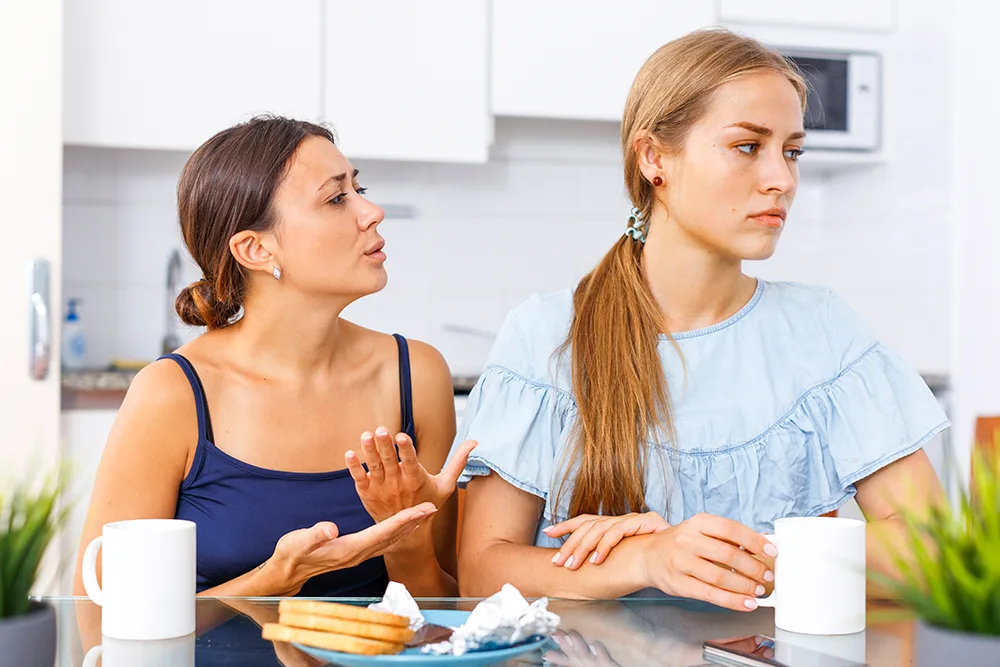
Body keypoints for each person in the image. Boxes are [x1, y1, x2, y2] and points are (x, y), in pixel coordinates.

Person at [452, 29, 948, 610]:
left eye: (792, 152)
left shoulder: (824, 331)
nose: (782, 180)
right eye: (746, 147)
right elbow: (481, 571)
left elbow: (931, 550)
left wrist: (746, 557)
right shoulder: (544, 335)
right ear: (654, 157)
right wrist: (645, 558)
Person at [73, 116, 476, 598]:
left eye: (358, 188)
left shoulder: (416, 375)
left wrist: (405, 542)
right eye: (336, 198)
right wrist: (274, 580)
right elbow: (104, 622)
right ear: (256, 248)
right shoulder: (174, 393)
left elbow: (451, 616)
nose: (372, 211)